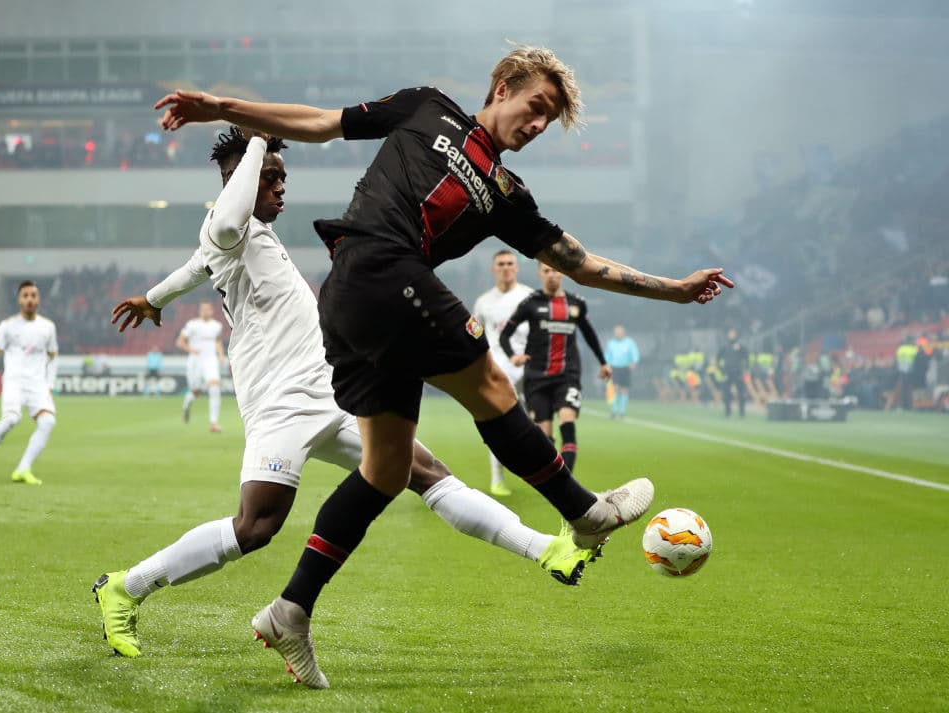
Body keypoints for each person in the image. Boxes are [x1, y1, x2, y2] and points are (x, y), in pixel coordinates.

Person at [155, 44, 733, 686]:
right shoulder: (426, 108)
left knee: (385, 471)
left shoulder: (507, 193)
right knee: (491, 384)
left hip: (363, 307)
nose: (538, 124)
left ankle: (290, 610)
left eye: (548, 120)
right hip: (376, 269)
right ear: (504, 85)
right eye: (536, 105)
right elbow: (320, 122)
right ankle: (585, 513)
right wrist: (220, 107)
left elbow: (580, 263)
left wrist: (675, 290)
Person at [93, 127, 598, 665]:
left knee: (426, 473)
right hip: (281, 403)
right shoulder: (226, 227)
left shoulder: (249, 235)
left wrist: (154, 298)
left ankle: (546, 548)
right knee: (256, 527)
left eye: (283, 177)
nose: (281, 187)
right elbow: (220, 228)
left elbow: (197, 264)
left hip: (330, 392)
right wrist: (258, 142)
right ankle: (125, 587)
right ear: (240, 179)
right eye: (270, 178)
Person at [499, 262, 610, 475]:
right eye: (546, 271)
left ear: (563, 273)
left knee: (568, 425)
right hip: (536, 378)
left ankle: (567, 483)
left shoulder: (576, 303)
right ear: (540, 274)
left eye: (555, 270)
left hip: (568, 376)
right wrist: (513, 356)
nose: (551, 275)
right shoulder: (530, 303)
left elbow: (590, 335)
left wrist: (603, 362)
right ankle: (556, 482)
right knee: (544, 439)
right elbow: (505, 335)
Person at [0, 281, 58, 486]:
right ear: (19, 300)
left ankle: (23, 468)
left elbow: (53, 358)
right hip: (14, 382)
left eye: (33, 295)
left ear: (38, 299)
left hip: (37, 384)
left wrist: (50, 385)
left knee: (48, 422)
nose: (30, 299)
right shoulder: (8, 326)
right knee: (11, 419)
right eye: (25, 295)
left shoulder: (48, 327)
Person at [472, 249, 533, 496]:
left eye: (510, 263)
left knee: (532, 425)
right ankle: (497, 478)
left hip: (527, 369)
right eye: (501, 264)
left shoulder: (529, 297)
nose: (506, 267)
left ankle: (537, 472)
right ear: (493, 268)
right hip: (497, 370)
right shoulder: (483, 302)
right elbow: (475, 334)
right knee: (498, 424)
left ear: (516, 267)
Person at [177, 301, 226, 431]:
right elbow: (180, 342)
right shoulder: (192, 325)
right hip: (195, 361)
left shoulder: (217, 325)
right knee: (196, 392)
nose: (205, 311)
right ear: (199, 311)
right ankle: (187, 403)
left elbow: (218, 341)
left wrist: (221, 355)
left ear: (212, 311)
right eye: (203, 309)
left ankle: (213, 423)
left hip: (210, 360)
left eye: (208, 309)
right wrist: (191, 350)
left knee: (215, 386)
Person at [605, 325, 639, 418]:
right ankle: (614, 411)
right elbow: (607, 355)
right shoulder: (611, 343)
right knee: (614, 388)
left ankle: (622, 412)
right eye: (617, 332)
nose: (618, 334)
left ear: (624, 333)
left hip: (625, 368)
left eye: (620, 332)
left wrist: (634, 362)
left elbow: (635, 353)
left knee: (624, 390)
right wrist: (606, 364)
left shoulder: (629, 342)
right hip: (614, 368)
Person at [718, 327, 749, 417]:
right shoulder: (725, 346)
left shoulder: (740, 346)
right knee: (726, 392)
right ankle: (727, 411)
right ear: (728, 335)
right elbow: (718, 357)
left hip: (738, 372)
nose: (732, 335)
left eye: (733, 333)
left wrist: (746, 368)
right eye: (730, 333)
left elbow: (746, 356)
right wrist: (721, 369)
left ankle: (742, 411)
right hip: (727, 372)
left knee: (741, 392)